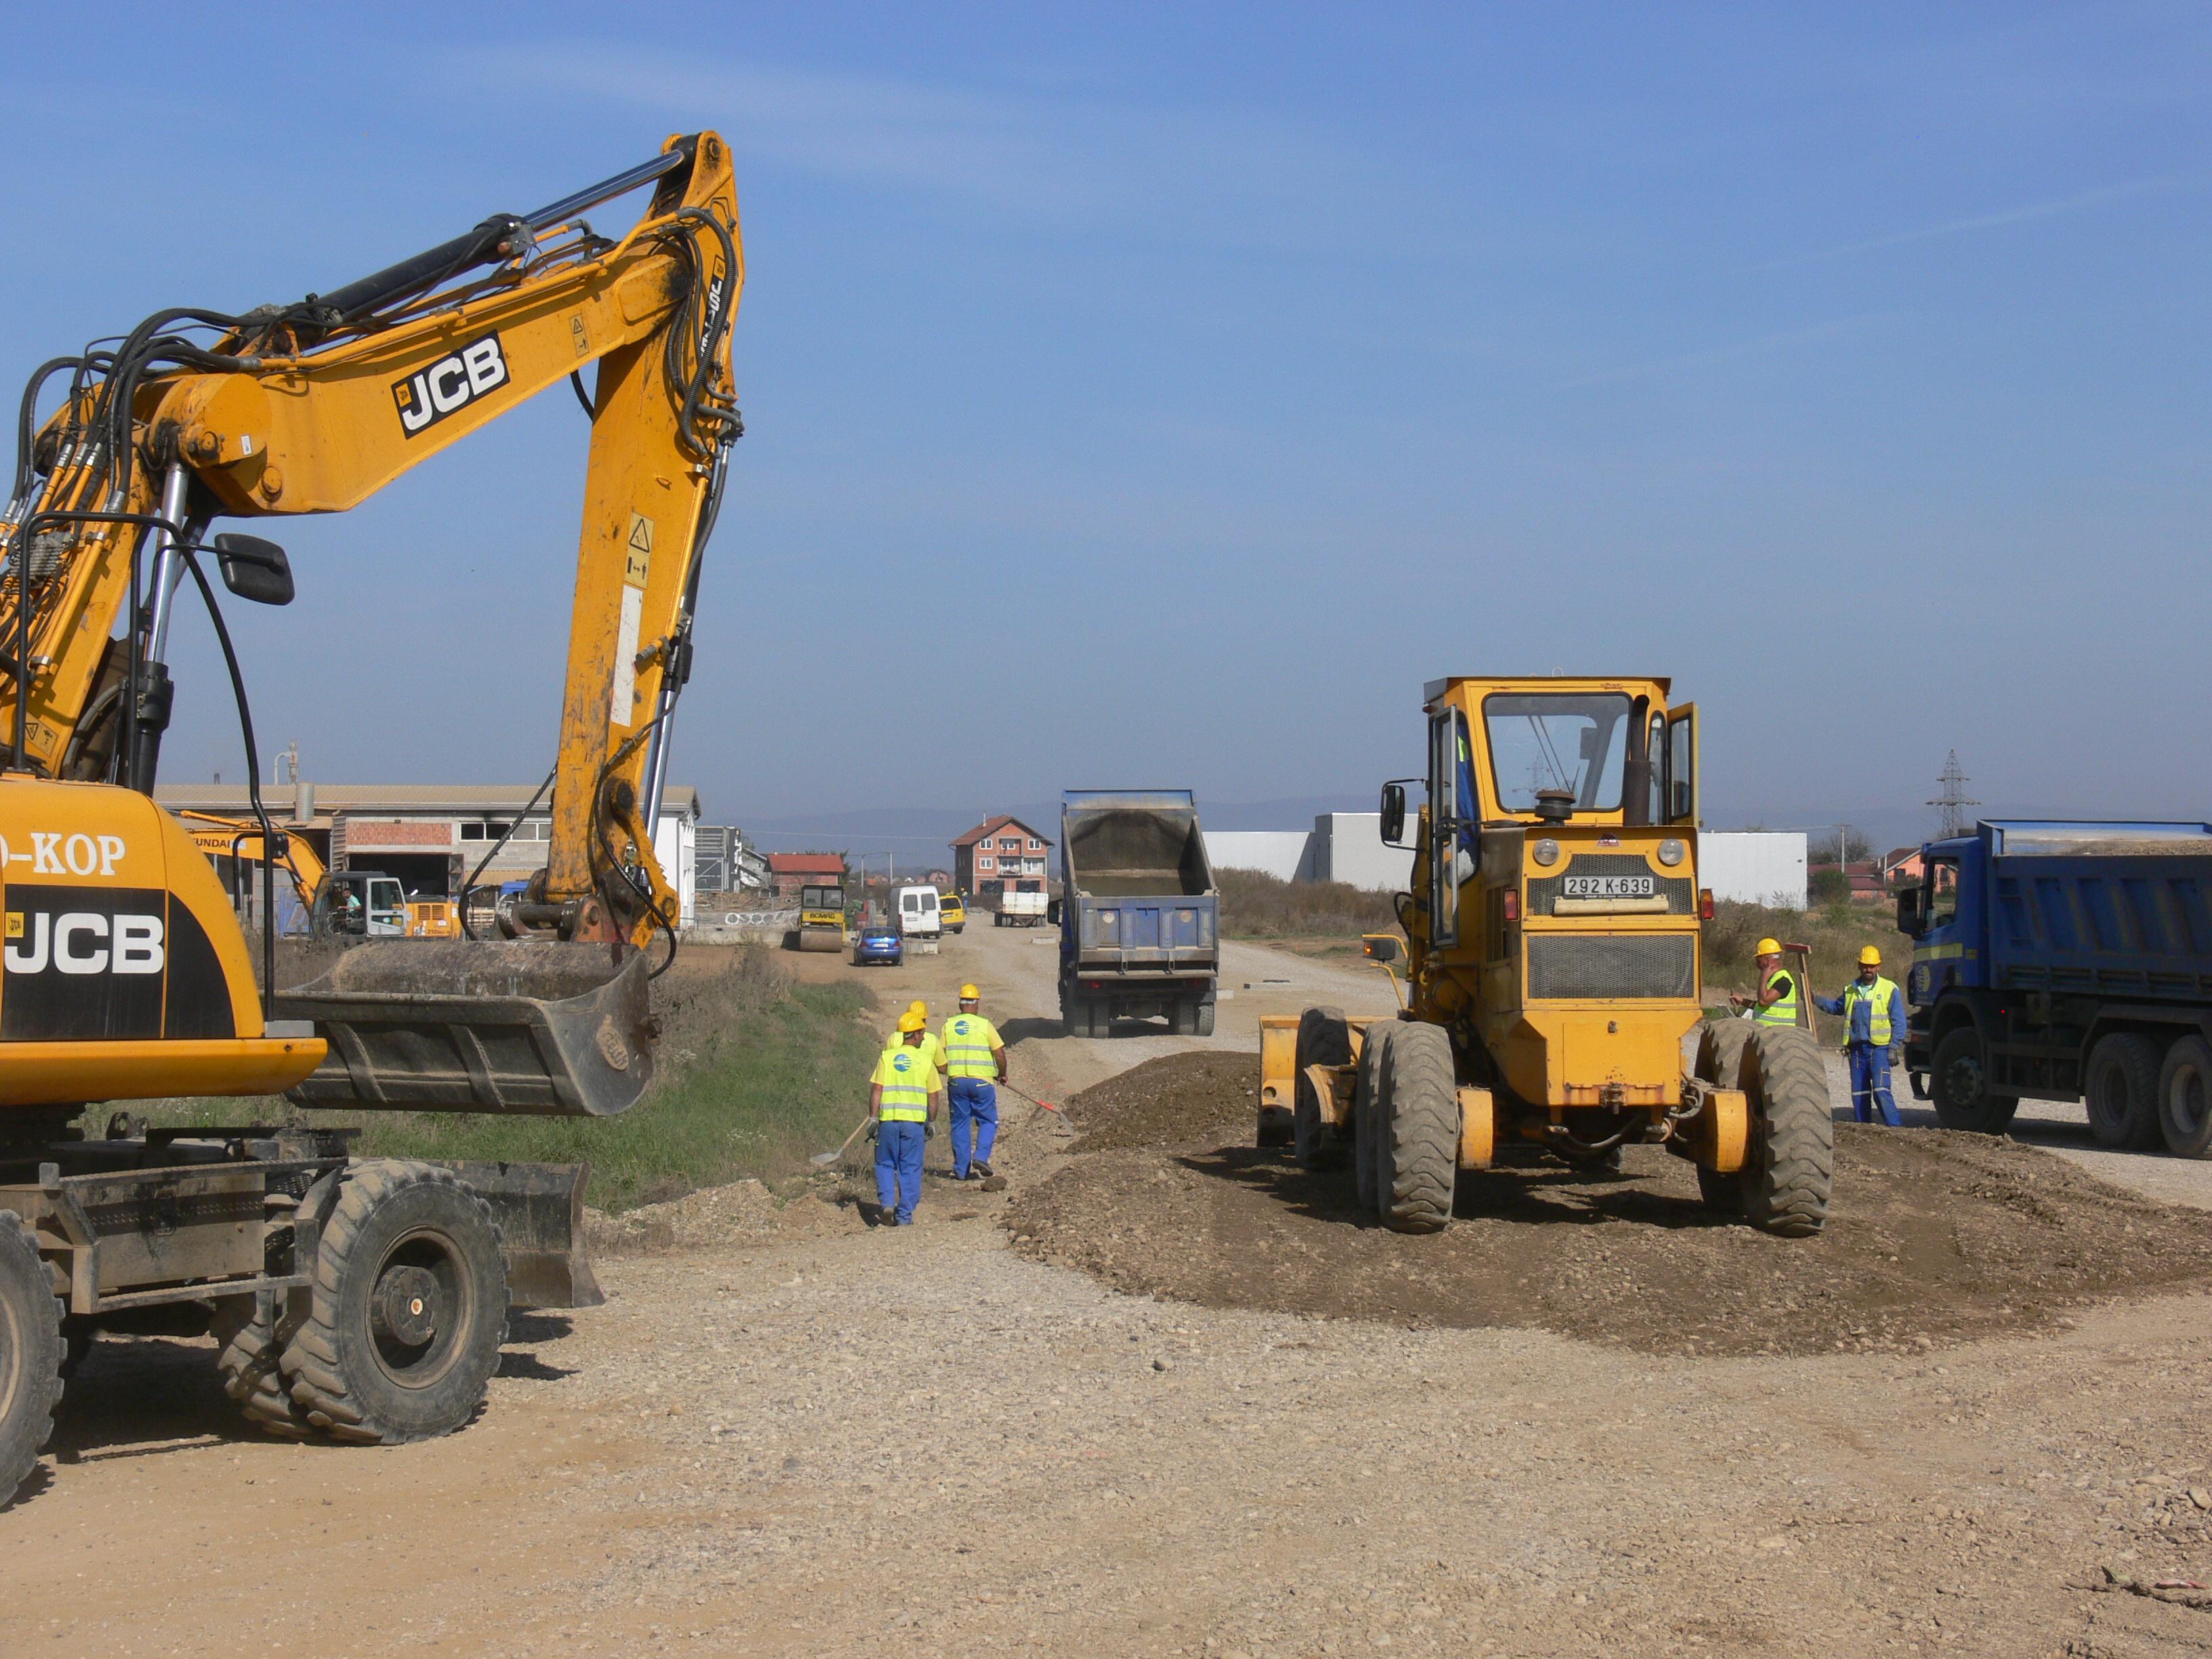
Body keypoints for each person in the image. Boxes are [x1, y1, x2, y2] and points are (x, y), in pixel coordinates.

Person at [1815, 945, 1907, 1126]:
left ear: (1879, 966)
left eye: (1872, 966)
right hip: (1857, 1050)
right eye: (1865, 965)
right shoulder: (1850, 989)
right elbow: (1836, 1008)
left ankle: (1895, 1129)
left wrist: (1894, 1048)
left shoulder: (1889, 989)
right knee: (1859, 1093)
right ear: (1859, 965)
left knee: (1881, 1091)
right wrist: (1816, 999)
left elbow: (1899, 1021)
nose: (1868, 969)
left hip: (1880, 1049)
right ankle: (1864, 1130)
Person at [869, 1010, 943, 1225]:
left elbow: (877, 1090)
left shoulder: (887, 1057)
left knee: (884, 1163)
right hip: (914, 1124)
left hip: (888, 1122)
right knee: (910, 1167)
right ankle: (904, 1215)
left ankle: (887, 1204)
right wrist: (932, 1122)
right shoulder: (925, 1060)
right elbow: (933, 1096)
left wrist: (873, 1118)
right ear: (918, 1034)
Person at [940, 983, 1008, 1181]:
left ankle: (961, 1170)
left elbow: (939, 1057)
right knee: (988, 1121)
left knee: (960, 1124)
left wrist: (949, 1072)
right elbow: (1000, 1054)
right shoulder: (984, 1025)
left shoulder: (948, 1026)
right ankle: (981, 1157)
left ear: (960, 1004)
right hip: (982, 1084)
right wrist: (1002, 1073)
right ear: (976, 1003)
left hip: (957, 1083)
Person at [1727, 937, 1800, 1027]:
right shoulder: (1773, 979)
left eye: (1759, 960)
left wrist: (1764, 977)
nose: (1757, 964)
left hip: (1779, 1034)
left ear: (1768, 960)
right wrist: (1742, 1001)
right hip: (1767, 1033)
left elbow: (1763, 1001)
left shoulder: (1783, 981)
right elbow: (1762, 1008)